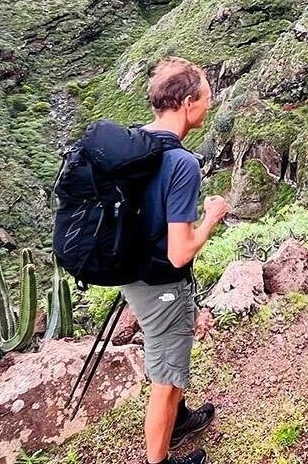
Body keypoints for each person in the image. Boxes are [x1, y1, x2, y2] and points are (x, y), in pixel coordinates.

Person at [118, 57, 229, 464]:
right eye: (205, 99)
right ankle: (158, 460)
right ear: (185, 103)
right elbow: (180, 250)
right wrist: (212, 218)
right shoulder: (181, 162)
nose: (209, 106)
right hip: (159, 281)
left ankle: (179, 421)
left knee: (170, 355)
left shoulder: (135, 142)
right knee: (166, 377)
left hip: (134, 270)